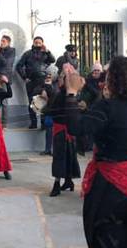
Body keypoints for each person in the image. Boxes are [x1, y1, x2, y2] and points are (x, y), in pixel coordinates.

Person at [64, 57, 127, 247]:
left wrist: (71, 92)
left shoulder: (108, 107)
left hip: (112, 182)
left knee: (105, 236)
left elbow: (76, 127)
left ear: (114, 80)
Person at [44, 65, 81, 196]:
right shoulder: (73, 94)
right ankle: (68, 181)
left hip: (61, 130)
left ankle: (57, 183)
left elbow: (52, 110)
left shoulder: (62, 94)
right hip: (68, 131)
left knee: (60, 157)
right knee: (69, 156)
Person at [16, 36, 55, 129]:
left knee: (42, 101)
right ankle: (33, 123)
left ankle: (43, 123)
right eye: (36, 42)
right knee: (31, 102)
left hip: (42, 81)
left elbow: (53, 60)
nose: (37, 44)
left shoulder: (45, 54)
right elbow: (19, 66)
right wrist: (24, 77)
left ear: (42, 44)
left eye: (39, 43)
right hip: (31, 81)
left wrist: (47, 51)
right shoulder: (27, 54)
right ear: (33, 43)